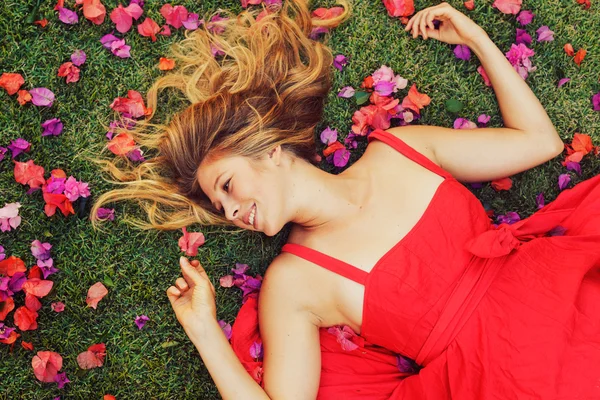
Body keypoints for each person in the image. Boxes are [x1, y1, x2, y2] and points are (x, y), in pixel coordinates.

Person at [92, 1, 600, 398]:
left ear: (267, 149)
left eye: (226, 186)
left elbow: (540, 144)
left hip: (562, 291)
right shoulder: (293, 283)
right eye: (219, 207)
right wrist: (202, 327)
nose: (228, 212)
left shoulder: (403, 148)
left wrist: (478, 39)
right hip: (502, 376)